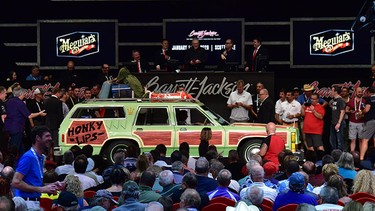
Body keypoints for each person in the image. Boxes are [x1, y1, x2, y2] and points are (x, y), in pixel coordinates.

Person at [12, 126, 64, 209]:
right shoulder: (28, 157)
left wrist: (51, 185)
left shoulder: (41, 157)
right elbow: (15, 182)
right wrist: (41, 189)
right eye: (47, 136)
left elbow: (35, 183)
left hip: (35, 202)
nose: (50, 139)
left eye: (50, 136)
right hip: (27, 203)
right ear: (37, 138)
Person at [4, 87, 46, 156]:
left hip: (8, 127)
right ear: (20, 93)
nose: (25, 95)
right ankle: (10, 163)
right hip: (17, 128)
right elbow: (29, 115)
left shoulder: (8, 101)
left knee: (21, 149)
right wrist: (39, 113)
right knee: (14, 148)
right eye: (24, 93)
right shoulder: (20, 103)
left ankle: (23, 162)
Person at [44, 88, 64, 159]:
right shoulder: (58, 102)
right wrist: (61, 125)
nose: (61, 95)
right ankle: (57, 158)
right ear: (57, 92)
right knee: (56, 143)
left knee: (48, 142)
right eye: (61, 93)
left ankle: (48, 157)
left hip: (48, 124)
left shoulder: (46, 101)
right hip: (56, 125)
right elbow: (60, 115)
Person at [346, 87, 365, 152]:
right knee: (352, 140)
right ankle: (352, 155)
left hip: (361, 122)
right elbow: (346, 109)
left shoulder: (364, 101)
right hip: (352, 122)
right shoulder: (351, 101)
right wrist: (350, 111)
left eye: (361, 92)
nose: (360, 93)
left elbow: (368, 111)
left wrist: (362, 113)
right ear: (355, 92)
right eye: (359, 92)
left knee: (361, 140)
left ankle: (361, 156)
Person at [360, 86, 375, 160]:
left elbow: (366, 109)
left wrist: (361, 113)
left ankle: (361, 159)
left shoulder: (369, 99)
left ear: (368, 92)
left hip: (371, 121)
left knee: (365, 140)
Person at [329, 85, 346, 151]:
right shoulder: (334, 100)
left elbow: (342, 112)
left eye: (332, 90)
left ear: (336, 91)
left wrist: (339, 123)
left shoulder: (341, 100)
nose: (331, 92)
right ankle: (334, 156)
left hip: (339, 124)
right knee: (332, 141)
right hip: (333, 123)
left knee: (340, 142)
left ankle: (341, 157)